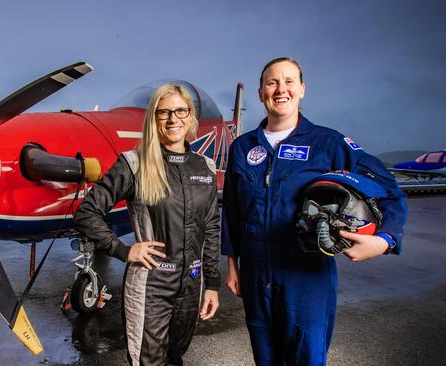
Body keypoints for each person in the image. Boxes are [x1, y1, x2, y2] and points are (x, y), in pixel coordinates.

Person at [221, 57, 407, 365]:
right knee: (265, 357)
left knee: (306, 356)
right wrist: (233, 264)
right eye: (272, 82)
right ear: (260, 92)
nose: (280, 89)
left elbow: (388, 188)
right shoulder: (242, 147)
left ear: (302, 89)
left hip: (306, 276)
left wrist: (385, 239)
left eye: (289, 81)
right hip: (255, 272)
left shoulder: (328, 143)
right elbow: (233, 210)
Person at [74, 83, 221, 365]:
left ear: (190, 117)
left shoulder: (206, 167)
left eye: (180, 111)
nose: (172, 119)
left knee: (175, 358)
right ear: (153, 119)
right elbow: (87, 212)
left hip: (191, 284)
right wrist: (123, 250)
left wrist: (212, 284)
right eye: (163, 112)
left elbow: (211, 228)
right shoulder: (135, 164)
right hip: (151, 286)